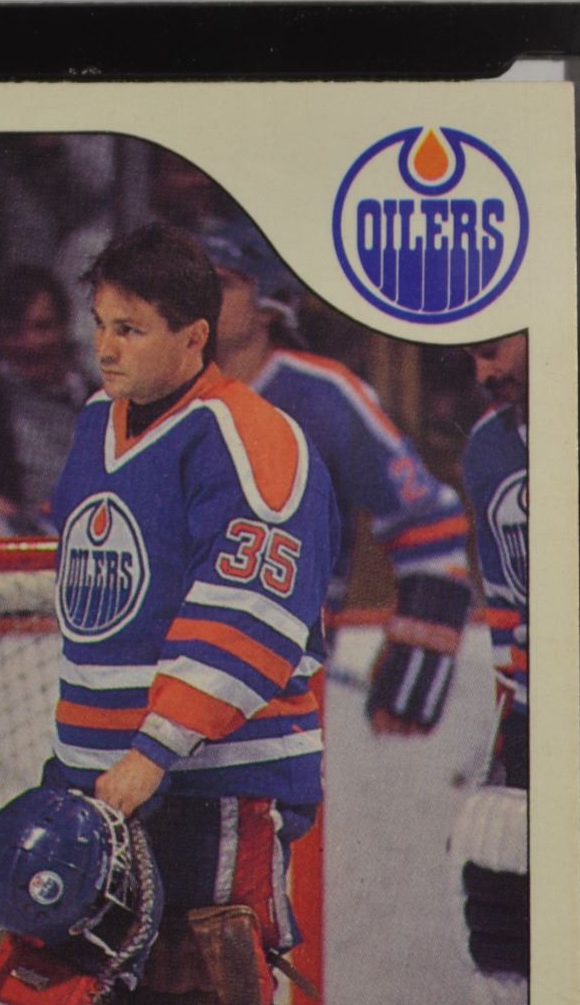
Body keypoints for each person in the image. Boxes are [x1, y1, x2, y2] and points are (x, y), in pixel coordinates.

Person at [0, 223, 340, 1005]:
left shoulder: (251, 436)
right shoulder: (97, 422)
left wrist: (153, 750)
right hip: (95, 788)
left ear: (194, 336)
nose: (103, 347)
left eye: (129, 329)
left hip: (214, 791)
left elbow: (248, 611)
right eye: (100, 324)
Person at [201, 218, 470, 733]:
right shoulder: (157, 393)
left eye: (223, 283)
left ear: (270, 300)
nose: (199, 298)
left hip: (283, 678)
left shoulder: (322, 397)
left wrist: (420, 652)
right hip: (169, 660)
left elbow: (430, 525)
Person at [451, 331, 529, 1005]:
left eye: (495, 350)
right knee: (499, 915)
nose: (486, 372)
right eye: (470, 358)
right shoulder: (488, 448)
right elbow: (506, 606)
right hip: (533, 717)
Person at [0, 266, 93, 521]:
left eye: (43, 327)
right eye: (13, 332)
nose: (31, 343)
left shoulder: (102, 398)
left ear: (65, 325)